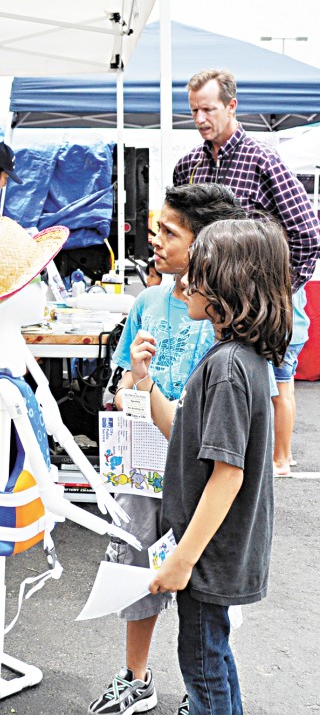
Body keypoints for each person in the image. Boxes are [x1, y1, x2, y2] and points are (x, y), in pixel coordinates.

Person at [89, 183, 246, 715]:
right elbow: (117, 390)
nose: (154, 241)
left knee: (199, 589)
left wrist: (148, 388)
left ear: (206, 245)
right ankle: (136, 678)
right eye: (156, 228)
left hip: (197, 474)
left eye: (168, 232)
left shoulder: (219, 319)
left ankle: (202, 693)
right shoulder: (148, 302)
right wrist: (130, 382)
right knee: (139, 570)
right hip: (141, 471)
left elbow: (220, 427)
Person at [133, 218, 292, 715]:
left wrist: (182, 559)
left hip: (207, 555)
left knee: (202, 664)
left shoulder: (225, 368)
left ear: (228, 287)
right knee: (214, 660)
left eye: (198, 273)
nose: (186, 283)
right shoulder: (240, 359)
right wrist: (144, 382)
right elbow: (182, 432)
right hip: (218, 551)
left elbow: (229, 474)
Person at [173, 68, 320, 292]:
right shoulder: (188, 166)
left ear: (231, 106)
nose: (199, 119)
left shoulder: (264, 162)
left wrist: (274, 294)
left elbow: (307, 236)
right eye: (194, 110)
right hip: (201, 302)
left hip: (249, 307)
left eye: (208, 110)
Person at [273, 285, 310, 476]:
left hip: (282, 334)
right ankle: (285, 454)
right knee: (287, 392)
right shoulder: (303, 263)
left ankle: (280, 460)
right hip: (295, 331)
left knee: (280, 396)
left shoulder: (284, 264)